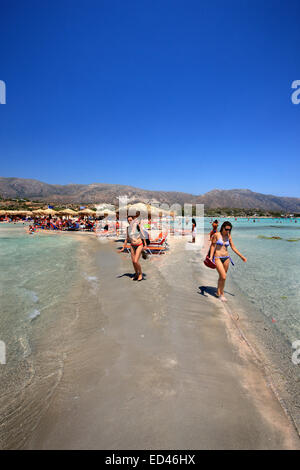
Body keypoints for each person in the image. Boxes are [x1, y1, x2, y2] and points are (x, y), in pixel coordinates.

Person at [209, 221, 247, 302]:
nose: (228, 231)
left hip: (226, 258)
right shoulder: (217, 235)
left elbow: (233, 247)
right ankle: (221, 294)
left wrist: (241, 256)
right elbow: (212, 246)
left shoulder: (229, 236)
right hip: (217, 257)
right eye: (226, 229)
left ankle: (218, 292)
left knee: (222, 277)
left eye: (229, 230)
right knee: (223, 276)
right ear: (222, 227)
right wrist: (210, 257)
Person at [120, 213, 146, 281]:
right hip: (132, 245)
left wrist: (145, 245)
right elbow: (127, 238)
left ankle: (140, 274)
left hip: (139, 245)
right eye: (128, 221)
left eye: (131, 220)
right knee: (133, 261)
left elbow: (143, 235)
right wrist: (123, 247)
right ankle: (136, 274)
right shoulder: (128, 228)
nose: (130, 221)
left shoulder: (138, 226)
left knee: (135, 261)